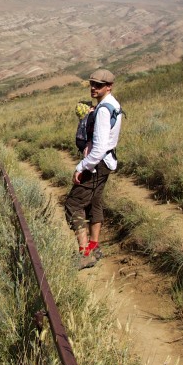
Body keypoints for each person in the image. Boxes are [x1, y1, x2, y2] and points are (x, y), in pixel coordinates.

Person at [65, 69, 122, 269]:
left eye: (98, 85)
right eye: (92, 84)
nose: (93, 88)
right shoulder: (112, 104)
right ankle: (94, 246)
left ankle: (84, 253)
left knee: (73, 204)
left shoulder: (104, 110)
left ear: (109, 86)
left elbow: (98, 148)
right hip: (107, 163)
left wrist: (81, 166)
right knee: (94, 203)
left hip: (97, 164)